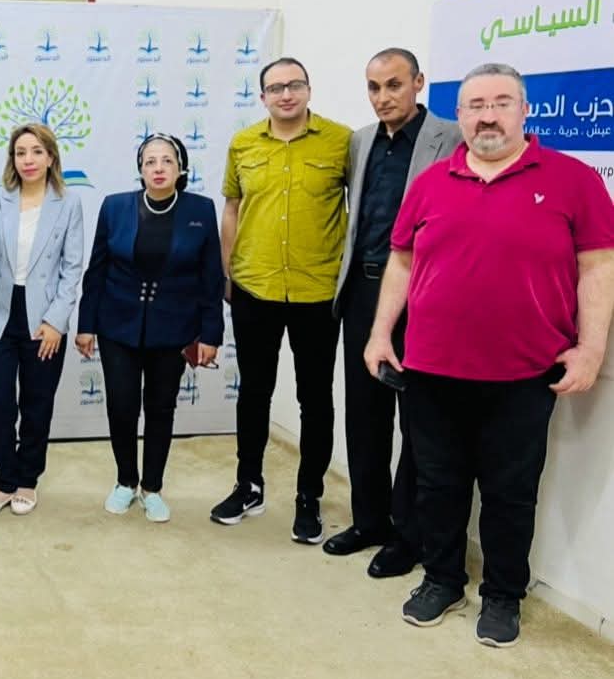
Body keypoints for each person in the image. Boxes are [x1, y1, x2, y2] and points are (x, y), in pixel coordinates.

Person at [365, 62, 614, 647]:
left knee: (510, 493)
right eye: (475, 106)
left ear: (525, 111)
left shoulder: (573, 180)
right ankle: (442, 579)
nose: (487, 116)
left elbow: (598, 267)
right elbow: (401, 262)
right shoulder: (431, 182)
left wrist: (591, 349)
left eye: (501, 103)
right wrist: (380, 335)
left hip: (524, 374)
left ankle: (503, 595)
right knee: (437, 484)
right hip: (430, 368)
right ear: (460, 116)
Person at [322, 48, 460, 577]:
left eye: (394, 85)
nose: (383, 97)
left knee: (418, 421)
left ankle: (409, 536)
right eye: (374, 87)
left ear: (419, 82)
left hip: (422, 296)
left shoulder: (452, 138)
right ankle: (369, 521)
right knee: (364, 415)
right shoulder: (360, 141)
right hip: (363, 291)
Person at [210, 57, 351, 544]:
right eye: (275, 88)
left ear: (309, 89)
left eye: (294, 85)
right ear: (263, 96)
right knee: (254, 392)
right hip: (256, 287)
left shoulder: (341, 142)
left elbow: (357, 208)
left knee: (315, 398)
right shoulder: (243, 143)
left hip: (318, 290)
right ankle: (248, 486)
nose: (285, 94)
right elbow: (232, 207)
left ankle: (309, 496)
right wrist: (227, 272)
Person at [75, 133, 224, 523]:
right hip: (117, 326)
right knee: (122, 406)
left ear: (181, 168)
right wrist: (86, 324)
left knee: (161, 408)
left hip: (173, 329)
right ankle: (126, 480)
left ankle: (152, 487)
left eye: (167, 161)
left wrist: (211, 333)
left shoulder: (201, 210)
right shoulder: (115, 207)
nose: (158, 168)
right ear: (140, 169)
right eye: (150, 162)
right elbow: (97, 270)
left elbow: (211, 277)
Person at [0, 124, 84, 516]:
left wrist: (56, 321)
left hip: (44, 319)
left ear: (51, 157)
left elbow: (72, 268)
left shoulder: (68, 203)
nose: (28, 160)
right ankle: (4, 482)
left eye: (36, 152)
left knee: (37, 403)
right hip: (0, 317)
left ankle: (27, 481)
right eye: (20, 153)